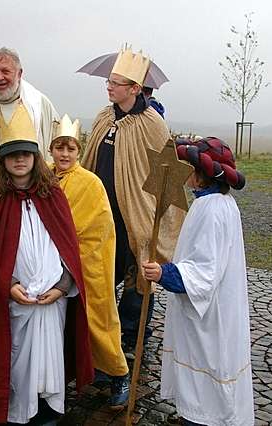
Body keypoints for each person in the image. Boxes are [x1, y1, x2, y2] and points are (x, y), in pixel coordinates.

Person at [0, 103, 93, 424]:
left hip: (52, 301)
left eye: (26, 154)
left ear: (36, 158)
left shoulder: (54, 196)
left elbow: (69, 250)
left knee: (50, 358)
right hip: (13, 303)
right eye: (13, 155)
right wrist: (7, 285)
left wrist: (63, 286)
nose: (20, 160)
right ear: (3, 160)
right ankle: (15, 410)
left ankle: (47, 409)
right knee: (15, 358)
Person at [82, 46, 185, 359]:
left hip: (135, 216)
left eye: (116, 82)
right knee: (98, 276)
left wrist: (157, 214)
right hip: (101, 214)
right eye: (109, 81)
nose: (109, 86)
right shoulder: (103, 117)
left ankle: (131, 336)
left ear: (136, 88)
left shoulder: (153, 124)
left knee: (137, 277)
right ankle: (98, 332)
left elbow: (167, 177)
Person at [142, 137, 252, 426]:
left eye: (188, 167)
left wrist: (164, 274)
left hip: (210, 314)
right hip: (218, 309)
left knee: (207, 372)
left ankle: (203, 420)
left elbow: (204, 272)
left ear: (201, 174)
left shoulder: (211, 209)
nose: (185, 173)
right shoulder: (219, 202)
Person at [49, 114, 130, 409]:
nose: (65, 154)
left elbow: (97, 229)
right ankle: (72, 373)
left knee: (98, 319)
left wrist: (68, 252)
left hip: (86, 264)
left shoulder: (90, 183)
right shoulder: (44, 177)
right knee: (59, 325)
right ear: (51, 150)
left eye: (70, 149)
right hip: (50, 266)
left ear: (78, 151)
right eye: (59, 148)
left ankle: (118, 372)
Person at [0, 47, 58, 181]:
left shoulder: (39, 104)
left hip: (33, 192)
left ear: (19, 73)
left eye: (5, 71)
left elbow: (56, 149)